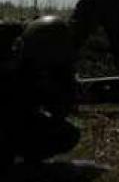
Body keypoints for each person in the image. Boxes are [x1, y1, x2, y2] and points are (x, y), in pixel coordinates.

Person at [0, 16, 81, 170]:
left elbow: (59, 110)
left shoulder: (50, 66)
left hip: (18, 120)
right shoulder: (8, 51)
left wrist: (61, 88)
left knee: (66, 134)